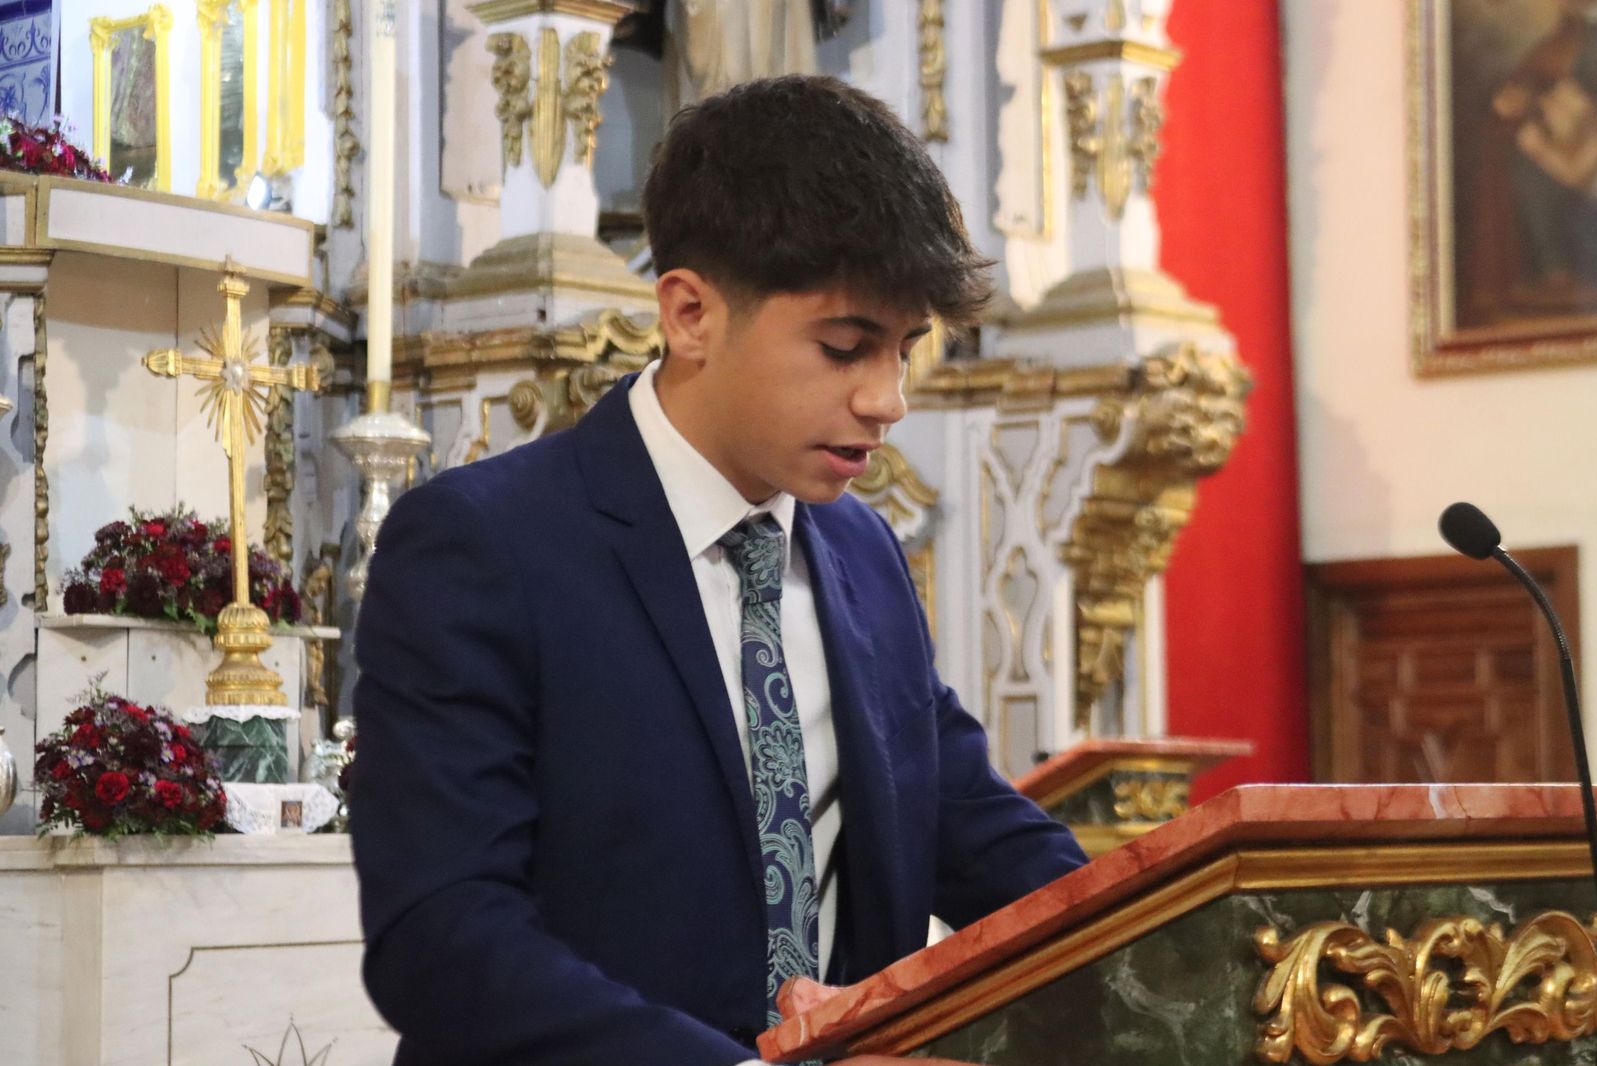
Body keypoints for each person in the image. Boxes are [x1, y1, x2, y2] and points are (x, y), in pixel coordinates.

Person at [350, 74, 1088, 1066]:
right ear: (691, 313)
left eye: (906, 349)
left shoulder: (865, 552)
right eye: (846, 347)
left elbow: (972, 824)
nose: (888, 399)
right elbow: (442, 939)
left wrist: (1169, 941)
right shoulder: (483, 545)